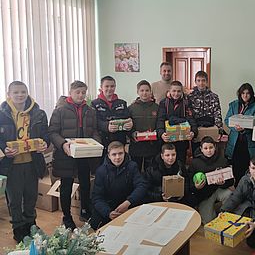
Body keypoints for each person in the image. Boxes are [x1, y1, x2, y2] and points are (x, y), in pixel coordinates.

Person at [49, 80, 101, 230]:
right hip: (65, 155)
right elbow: (52, 132)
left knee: (85, 183)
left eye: (83, 92)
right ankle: (67, 216)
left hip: (84, 155)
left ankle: (85, 211)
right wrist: (63, 144)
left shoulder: (90, 111)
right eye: (77, 92)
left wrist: (97, 143)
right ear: (70, 93)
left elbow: (94, 131)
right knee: (66, 186)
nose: (80, 95)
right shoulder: (60, 110)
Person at [0, 81, 49, 242]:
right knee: (14, 199)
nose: (20, 95)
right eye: (16, 92)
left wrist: (44, 144)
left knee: (30, 196)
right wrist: (4, 149)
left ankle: (31, 224)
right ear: (9, 94)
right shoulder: (2, 114)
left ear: (27, 93)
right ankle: (18, 228)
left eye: (23, 92)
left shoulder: (39, 113)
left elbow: (45, 135)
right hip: (11, 165)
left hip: (32, 162)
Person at [90, 141, 147, 230]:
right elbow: (97, 197)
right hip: (109, 206)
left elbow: (141, 186)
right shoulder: (101, 171)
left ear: (125, 153)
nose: (117, 157)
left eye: (120, 153)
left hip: (128, 203)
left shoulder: (132, 166)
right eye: (114, 154)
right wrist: (108, 212)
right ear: (109, 155)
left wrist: (128, 202)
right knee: (96, 220)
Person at [221, 155, 255, 249]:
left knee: (253, 243)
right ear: (249, 168)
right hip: (246, 209)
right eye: (253, 168)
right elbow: (236, 197)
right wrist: (224, 210)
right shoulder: (244, 179)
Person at [190, 136, 234, 224]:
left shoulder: (223, 161)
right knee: (208, 221)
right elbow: (189, 182)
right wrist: (196, 187)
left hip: (219, 190)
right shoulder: (195, 163)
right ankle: (207, 210)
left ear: (215, 147)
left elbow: (231, 180)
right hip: (205, 194)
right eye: (205, 148)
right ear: (201, 149)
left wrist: (223, 183)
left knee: (229, 194)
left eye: (211, 147)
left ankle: (226, 213)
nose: (208, 150)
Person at [225, 83, 255, 185]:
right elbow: (227, 120)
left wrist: (245, 129)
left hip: (248, 142)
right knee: (235, 166)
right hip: (235, 141)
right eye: (243, 93)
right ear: (240, 94)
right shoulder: (234, 105)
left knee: (247, 167)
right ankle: (236, 188)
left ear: (251, 94)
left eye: (248, 93)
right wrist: (236, 128)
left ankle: (247, 188)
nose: (245, 95)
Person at [157, 80, 197, 164]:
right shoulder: (163, 103)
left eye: (179, 91)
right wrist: (161, 134)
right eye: (174, 91)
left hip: (182, 141)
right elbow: (160, 120)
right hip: (167, 140)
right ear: (169, 91)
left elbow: (191, 118)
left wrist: (193, 132)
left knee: (180, 163)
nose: (176, 93)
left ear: (182, 91)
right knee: (167, 163)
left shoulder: (186, 102)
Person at [91, 76, 132, 153]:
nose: (109, 88)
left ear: (115, 87)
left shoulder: (122, 103)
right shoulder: (94, 104)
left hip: (119, 141)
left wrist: (130, 124)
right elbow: (94, 122)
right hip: (102, 141)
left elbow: (128, 118)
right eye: (107, 86)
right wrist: (106, 126)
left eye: (112, 86)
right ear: (101, 87)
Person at [187, 70, 223, 154]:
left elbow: (217, 114)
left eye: (203, 80)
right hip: (196, 129)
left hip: (210, 129)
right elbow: (188, 115)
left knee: (210, 154)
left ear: (207, 82)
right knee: (197, 154)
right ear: (195, 82)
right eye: (198, 80)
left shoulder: (214, 96)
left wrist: (219, 131)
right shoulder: (190, 97)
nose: (201, 83)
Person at [128, 80, 160, 171]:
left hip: (152, 147)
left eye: (147, 90)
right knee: (135, 170)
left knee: (150, 171)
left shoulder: (157, 108)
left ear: (150, 92)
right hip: (136, 146)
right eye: (142, 90)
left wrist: (156, 132)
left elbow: (160, 123)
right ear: (137, 92)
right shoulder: (131, 108)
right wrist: (132, 134)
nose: (144, 93)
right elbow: (127, 127)